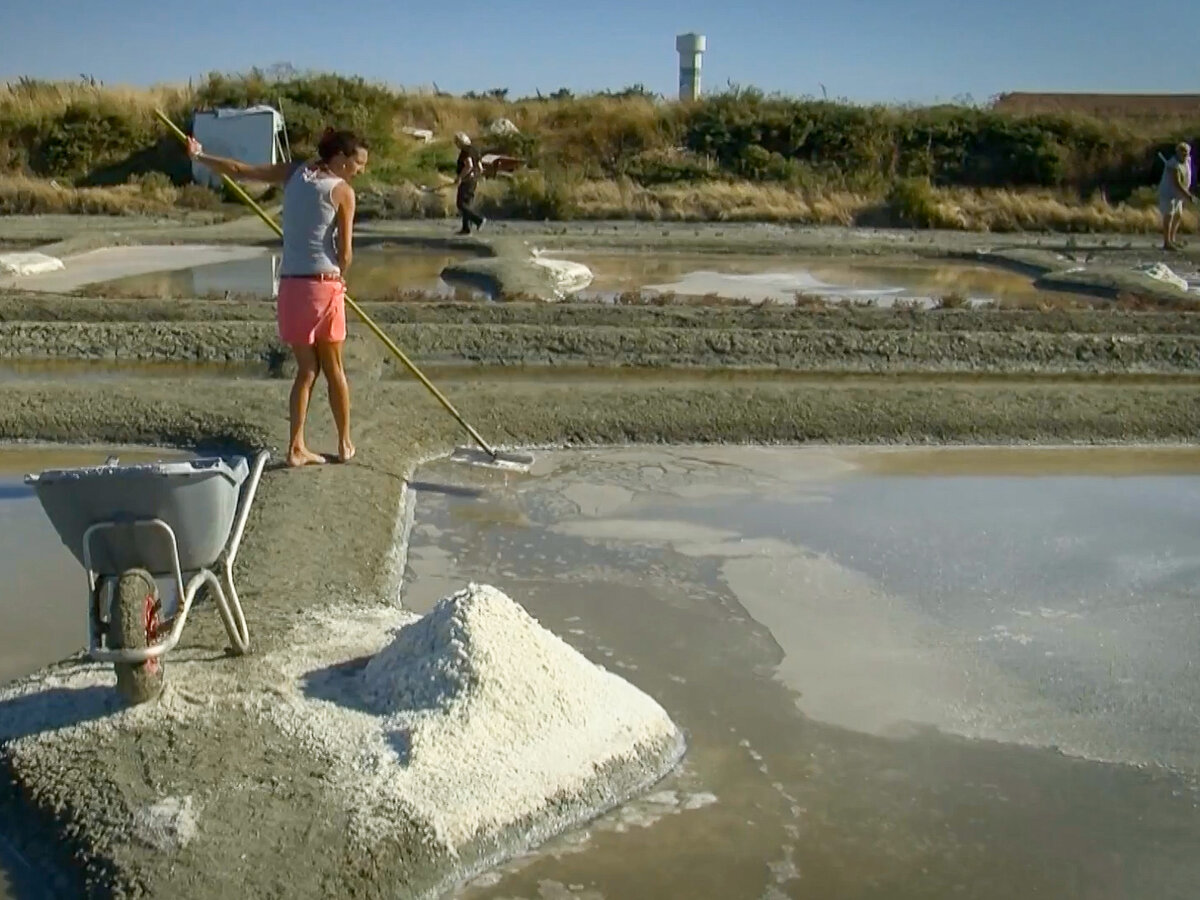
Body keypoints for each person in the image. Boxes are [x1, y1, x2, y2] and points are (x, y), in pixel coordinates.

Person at [185, 128, 368, 467]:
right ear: (341, 159)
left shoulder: (293, 172)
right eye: (358, 163)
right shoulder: (343, 191)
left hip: (291, 286)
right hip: (323, 285)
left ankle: (296, 447)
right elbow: (345, 254)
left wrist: (199, 156)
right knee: (334, 368)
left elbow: (240, 170)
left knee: (306, 370)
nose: (361, 169)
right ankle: (344, 444)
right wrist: (341, 278)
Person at [1159, 142, 1195, 252]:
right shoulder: (1172, 164)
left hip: (1178, 194)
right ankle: (1166, 242)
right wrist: (1188, 196)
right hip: (1168, 193)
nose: (1184, 155)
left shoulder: (1187, 160)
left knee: (1178, 215)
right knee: (1169, 216)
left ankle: (1172, 239)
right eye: (1182, 152)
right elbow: (1177, 183)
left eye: (1186, 152)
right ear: (1177, 152)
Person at [453, 132, 486, 235]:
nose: (456, 145)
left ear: (460, 142)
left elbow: (469, 165)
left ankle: (478, 220)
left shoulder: (465, 151)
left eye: (456, 142)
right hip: (473, 181)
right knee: (467, 205)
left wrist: (460, 177)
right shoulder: (475, 150)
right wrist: (475, 178)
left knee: (461, 204)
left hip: (466, 181)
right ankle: (466, 228)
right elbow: (480, 168)